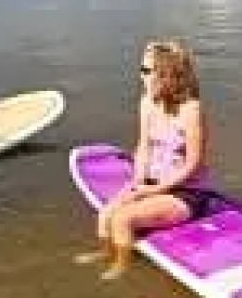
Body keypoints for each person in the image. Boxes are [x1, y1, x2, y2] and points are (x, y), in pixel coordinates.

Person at [78, 39, 212, 280]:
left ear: (168, 75)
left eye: (147, 70)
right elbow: (143, 146)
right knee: (106, 214)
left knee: (123, 219)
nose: (142, 76)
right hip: (151, 182)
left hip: (186, 192)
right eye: (142, 69)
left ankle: (122, 265)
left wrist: (153, 190)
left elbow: (193, 164)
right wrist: (138, 181)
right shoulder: (147, 103)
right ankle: (106, 251)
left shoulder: (191, 110)